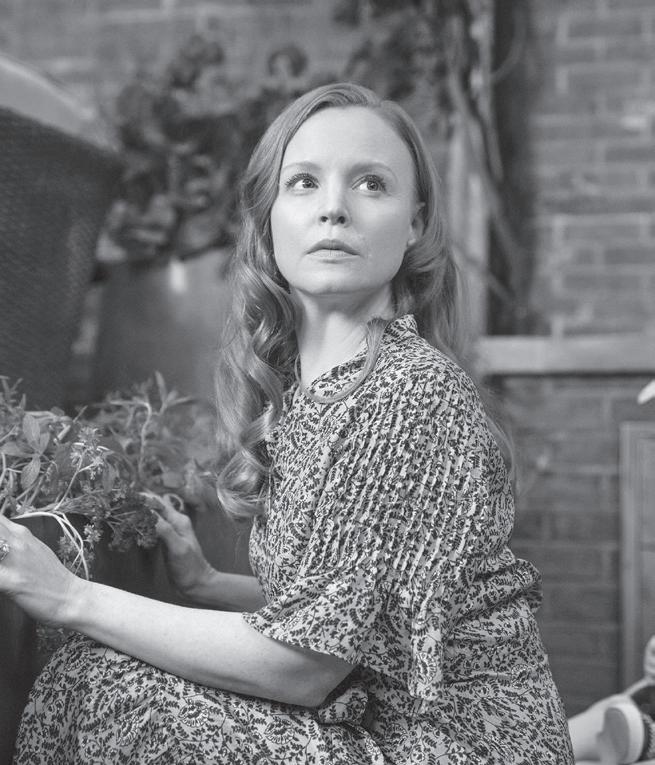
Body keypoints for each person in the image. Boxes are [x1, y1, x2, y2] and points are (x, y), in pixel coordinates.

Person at [0, 82, 573, 763]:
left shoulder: (408, 391)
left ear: (415, 223)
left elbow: (304, 666)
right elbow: (354, 608)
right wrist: (210, 585)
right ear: (269, 218)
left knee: (108, 686)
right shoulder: (309, 391)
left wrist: (69, 596)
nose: (334, 206)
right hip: (377, 719)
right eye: (304, 182)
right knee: (92, 671)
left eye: (370, 183)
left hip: (455, 742)